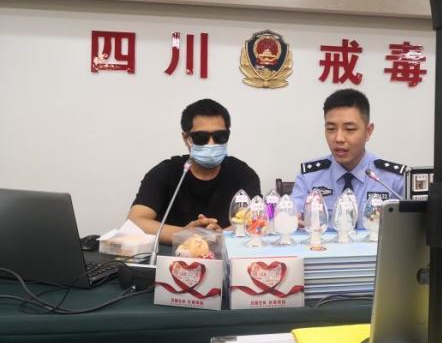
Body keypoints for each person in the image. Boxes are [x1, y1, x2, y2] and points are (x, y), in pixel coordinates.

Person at [128, 99, 261, 244]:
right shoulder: (165, 172)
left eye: (220, 136)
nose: (211, 144)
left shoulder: (243, 174)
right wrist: (184, 234)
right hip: (174, 254)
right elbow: (135, 222)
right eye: (201, 137)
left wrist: (220, 236)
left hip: (226, 251)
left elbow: (257, 220)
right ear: (186, 138)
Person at [290, 89, 405, 228]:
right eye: (331, 129)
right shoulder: (309, 177)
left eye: (349, 129)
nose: (338, 138)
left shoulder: (393, 179)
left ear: (368, 131)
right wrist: (292, 220)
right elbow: (293, 215)